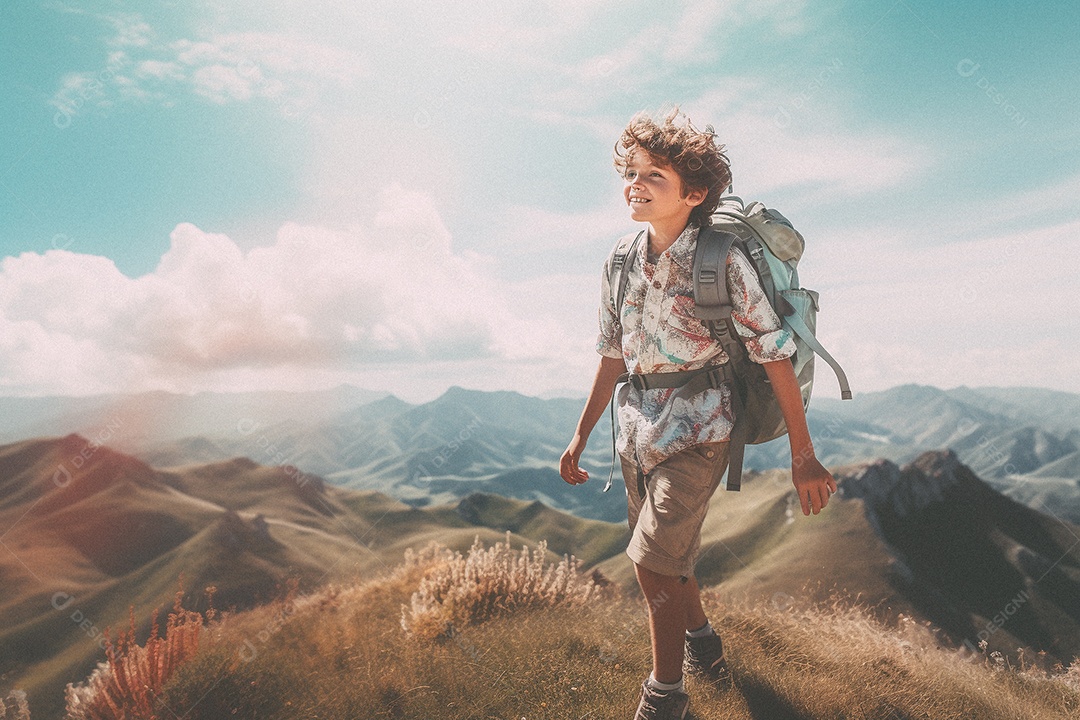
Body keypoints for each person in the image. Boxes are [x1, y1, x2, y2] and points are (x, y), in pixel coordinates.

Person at [559, 108, 837, 720]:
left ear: (695, 192)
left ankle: (665, 699)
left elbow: (775, 358)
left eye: (653, 175)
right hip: (635, 431)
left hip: (703, 428)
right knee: (671, 556)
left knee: (652, 561)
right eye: (631, 172)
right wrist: (580, 434)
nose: (635, 183)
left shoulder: (722, 261)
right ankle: (704, 643)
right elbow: (612, 354)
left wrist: (805, 456)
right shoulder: (619, 260)